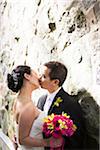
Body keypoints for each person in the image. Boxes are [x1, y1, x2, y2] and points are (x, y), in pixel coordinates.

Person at [7, 65, 62, 150]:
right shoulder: (28, 107)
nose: (39, 77)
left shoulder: (18, 100)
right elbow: (22, 139)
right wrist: (48, 142)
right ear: (27, 76)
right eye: (36, 73)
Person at [37, 61, 86, 150]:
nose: (39, 78)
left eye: (44, 76)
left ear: (55, 82)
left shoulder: (70, 104)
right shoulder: (41, 100)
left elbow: (77, 138)